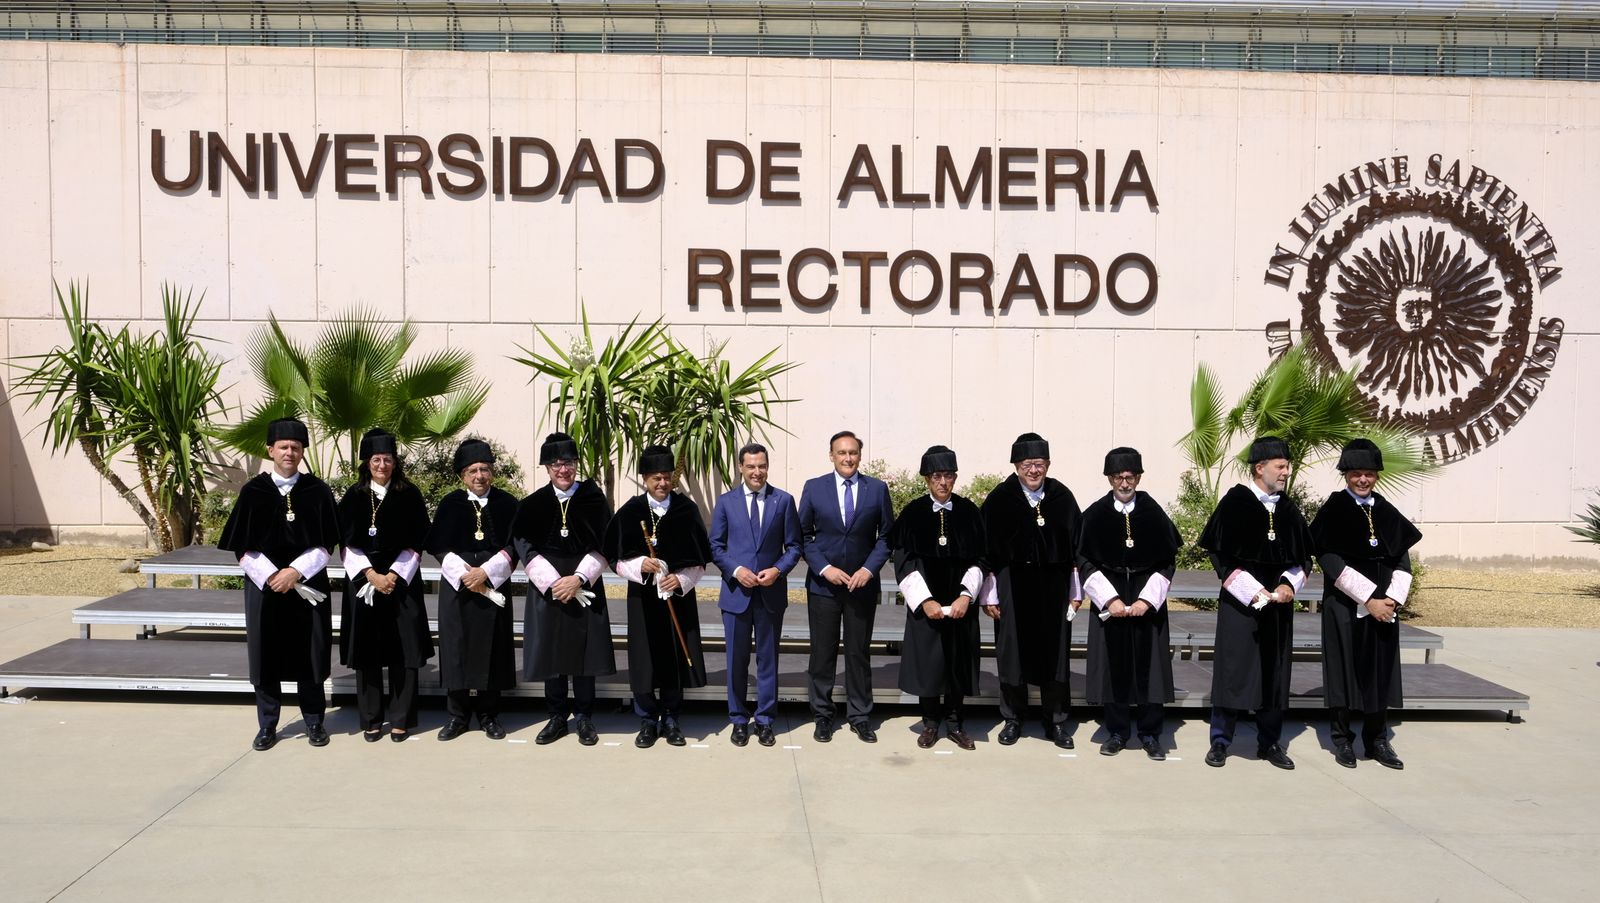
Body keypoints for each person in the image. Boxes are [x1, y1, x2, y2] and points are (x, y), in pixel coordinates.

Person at [217, 417, 340, 751]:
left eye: (296, 447)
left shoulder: (317, 491)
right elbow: (242, 548)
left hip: (307, 588)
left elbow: (326, 545)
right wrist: (273, 576)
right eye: (283, 447)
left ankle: (314, 721)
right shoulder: (253, 492)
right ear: (270, 450)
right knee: (266, 654)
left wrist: (295, 573)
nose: (290, 452)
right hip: (265, 589)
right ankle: (267, 725)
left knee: (310, 654)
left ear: (302, 452)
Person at [1199, 435, 1314, 770]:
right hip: (1240, 605)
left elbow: (1303, 558)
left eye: (1287, 466)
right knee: (1233, 671)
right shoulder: (1235, 503)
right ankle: (1221, 742)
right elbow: (1221, 557)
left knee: (1274, 673)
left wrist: (1288, 585)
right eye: (1280, 466)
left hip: (1278, 607)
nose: (1286, 472)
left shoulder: (1288, 509)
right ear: (1259, 467)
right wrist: (1252, 591)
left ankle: (1270, 742)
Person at [1310, 438, 1420, 770]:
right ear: (1346, 474)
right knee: (1343, 671)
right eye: (1356, 473)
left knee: (1380, 672)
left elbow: (1402, 558)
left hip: (1384, 608)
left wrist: (1393, 600)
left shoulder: (1385, 510)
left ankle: (1376, 740)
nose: (1363, 480)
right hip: (1345, 607)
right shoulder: (1334, 509)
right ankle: (1342, 740)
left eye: (1369, 474)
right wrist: (1368, 599)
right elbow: (1329, 559)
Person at [600, 445, 712, 749]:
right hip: (643, 598)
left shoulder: (686, 510)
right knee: (644, 657)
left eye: (666, 478)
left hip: (677, 598)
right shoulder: (632, 511)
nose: (661, 483)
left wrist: (682, 578)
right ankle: (648, 719)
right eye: (655, 478)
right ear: (645, 479)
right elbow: (615, 558)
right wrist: (640, 564)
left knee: (675, 654)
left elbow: (700, 559)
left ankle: (672, 717)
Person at [511, 431, 616, 747]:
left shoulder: (593, 499)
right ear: (546, 468)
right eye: (556, 464)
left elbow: (607, 542)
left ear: (576, 464)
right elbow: (523, 544)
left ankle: (584, 716)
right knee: (552, 652)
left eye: (568, 463)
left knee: (585, 654)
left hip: (583, 584)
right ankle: (557, 717)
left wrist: (580, 578)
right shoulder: (533, 504)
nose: (563, 470)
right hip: (549, 588)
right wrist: (553, 582)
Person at [1077, 447, 1182, 760]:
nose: (1125, 483)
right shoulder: (1094, 515)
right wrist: (1110, 599)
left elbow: (1167, 560)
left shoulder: (1153, 512)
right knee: (1113, 668)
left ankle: (1150, 733)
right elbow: (1083, 560)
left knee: (1150, 669)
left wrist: (1146, 601)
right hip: (1110, 601)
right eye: (1119, 477)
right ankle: (1118, 731)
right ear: (1110, 478)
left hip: (1145, 602)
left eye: (1130, 476)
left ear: (1138, 477)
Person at [979, 432, 1082, 749]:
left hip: (1054, 589)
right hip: (1012, 587)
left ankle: (1056, 721)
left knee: (1056, 657)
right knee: (1012, 655)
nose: (1033, 471)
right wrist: (989, 594)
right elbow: (986, 553)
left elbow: (1077, 551)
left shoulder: (1062, 498)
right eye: (1027, 464)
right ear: (1016, 466)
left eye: (1039, 464)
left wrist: (1076, 592)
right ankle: (1013, 719)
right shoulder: (1000, 500)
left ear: (1048, 465)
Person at [336, 428, 433, 742]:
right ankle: (372, 718)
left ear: (395, 462)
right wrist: (370, 575)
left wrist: (392, 575)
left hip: (400, 580)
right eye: (376, 459)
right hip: (364, 581)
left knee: (403, 651)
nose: (382, 465)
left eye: (387, 459)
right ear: (366, 462)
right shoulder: (353, 496)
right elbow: (345, 543)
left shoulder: (409, 494)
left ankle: (401, 718)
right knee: (368, 652)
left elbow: (419, 540)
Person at [888, 445, 986, 750]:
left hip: (960, 606)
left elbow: (982, 558)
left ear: (955, 478)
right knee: (928, 664)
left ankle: (955, 723)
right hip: (925, 604)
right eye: (936, 476)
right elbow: (903, 560)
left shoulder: (970, 512)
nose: (942, 482)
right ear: (927, 479)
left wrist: (966, 596)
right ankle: (930, 723)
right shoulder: (913, 513)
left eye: (948, 476)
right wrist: (925, 601)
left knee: (956, 663)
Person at [798, 430, 893, 743]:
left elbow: (886, 537)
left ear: (860, 456)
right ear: (831, 456)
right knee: (822, 655)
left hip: (861, 586)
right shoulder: (814, 488)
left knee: (858, 653)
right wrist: (825, 569)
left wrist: (868, 569)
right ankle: (823, 716)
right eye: (842, 453)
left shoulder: (877, 489)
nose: (848, 458)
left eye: (853, 453)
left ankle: (860, 716)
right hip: (825, 587)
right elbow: (804, 536)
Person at [425, 438, 519, 741]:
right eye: (473, 470)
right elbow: (438, 545)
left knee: (492, 648)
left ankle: (489, 714)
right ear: (462, 475)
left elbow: (514, 546)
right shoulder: (451, 503)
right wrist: (466, 575)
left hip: (492, 584)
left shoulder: (507, 504)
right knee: (456, 648)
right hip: (458, 586)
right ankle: (458, 715)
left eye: (485, 469)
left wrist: (486, 572)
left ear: (492, 471)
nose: (480, 475)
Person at [710, 442, 802, 747]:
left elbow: (795, 546)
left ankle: (765, 720)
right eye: (750, 466)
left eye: (761, 466)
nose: (757, 472)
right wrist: (736, 571)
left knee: (768, 660)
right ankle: (738, 719)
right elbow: (716, 547)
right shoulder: (725, 502)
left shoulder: (784, 501)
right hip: (737, 594)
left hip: (770, 594)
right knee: (737, 661)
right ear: (740, 467)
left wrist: (777, 570)